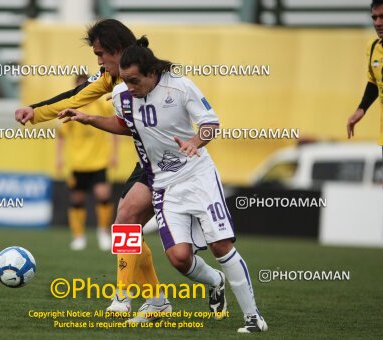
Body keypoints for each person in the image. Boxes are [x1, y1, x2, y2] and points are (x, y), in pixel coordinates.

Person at [58, 38, 268, 333]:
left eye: (134, 80)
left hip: (196, 175)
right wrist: (90, 118)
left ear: (152, 73)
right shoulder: (121, 94)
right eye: (125, 80)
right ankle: (193, 289)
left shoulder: (179, 86)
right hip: (161, 181)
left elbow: (209, 123)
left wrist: (196, 140)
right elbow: (125, 125)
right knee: (178, 258)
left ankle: (252, 317)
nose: (129, 86)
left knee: (220, 244)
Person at [14, 19, 172, 321]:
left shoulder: (154, 75)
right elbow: (73, 96)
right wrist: (35, 111)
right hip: (150, 163)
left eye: (101, 54)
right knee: (126, 222)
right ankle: (139, 298)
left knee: (190, 254)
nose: (99, 61)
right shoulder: (110, 79)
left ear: (117, 49)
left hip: (179, 163)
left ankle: (212, 285)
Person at [56, 74, 116, 251]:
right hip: (78, 162)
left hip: (99, 161)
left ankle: (103, 233)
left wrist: (114, 153)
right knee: (77, 199)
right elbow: (61, 136)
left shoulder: (102, 105)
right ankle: (78, 237)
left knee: (103, 196)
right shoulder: (70, 108)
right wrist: (59, 158)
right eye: (79, 88)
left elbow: (114, 125)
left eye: (86, 87)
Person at [348, 0, 383, 155]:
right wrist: (361, 109)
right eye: (374, 18)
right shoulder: (373, 47)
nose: (378, 23)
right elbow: (374, 82)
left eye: (382, 17)